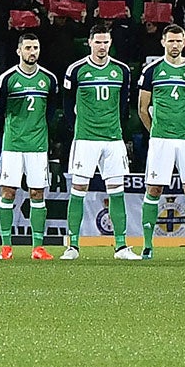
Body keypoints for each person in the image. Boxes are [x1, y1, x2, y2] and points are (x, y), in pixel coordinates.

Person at [61, 26, 138, 261]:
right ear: (90, 43)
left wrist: (119, 131)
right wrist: (77, 129)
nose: (102, 46)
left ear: (110, 42)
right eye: (98, 42)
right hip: (85, 139)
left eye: (106, 42)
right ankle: (72, 246)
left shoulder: (122, 71)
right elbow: (66, 106)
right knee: (78, 190)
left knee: (116, 191)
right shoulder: (76, 70)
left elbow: (125, 107)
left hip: (113, 140)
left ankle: (121, 246)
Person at [137, 23, 185, 260]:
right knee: (154, 188)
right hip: (161, 140)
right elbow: (142, 108)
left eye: (179, 41)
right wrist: (154, 132)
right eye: (171, 40)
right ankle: (147, 246)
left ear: (184, 43)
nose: (175, 45)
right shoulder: (152, 70)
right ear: (163, 42)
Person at [0, 32, 56, 260]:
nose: (32, 52)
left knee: (37, 193)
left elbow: (50, 111)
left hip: (37, 146)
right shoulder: (8, 78)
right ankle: (6, 246)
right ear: (19, 51)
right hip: (13, 145)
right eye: (28, 48)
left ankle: (37, 247)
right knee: (8, 191)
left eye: (36, 48)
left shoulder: (48, 79)